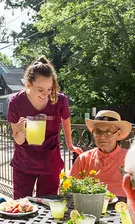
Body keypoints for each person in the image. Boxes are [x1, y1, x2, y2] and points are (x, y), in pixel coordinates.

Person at [7, 56, 82, 199]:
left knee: (48, 204)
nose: (45, 94)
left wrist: (70, 144)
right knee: (22, 204)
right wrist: (21, 131)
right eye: (40, 89)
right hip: (24, 162)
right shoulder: (16, 102)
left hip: (50, 161)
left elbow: (66, 119)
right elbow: (19, 140)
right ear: (28, 84)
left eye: (49, 89)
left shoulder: (59, 99)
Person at [70, 110, 132, 197]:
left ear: (118, 134)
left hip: (122, 207)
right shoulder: (84, 159)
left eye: (108, 132)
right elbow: (71, 188)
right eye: (98, 132)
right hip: (91, 206)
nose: (102, 137)